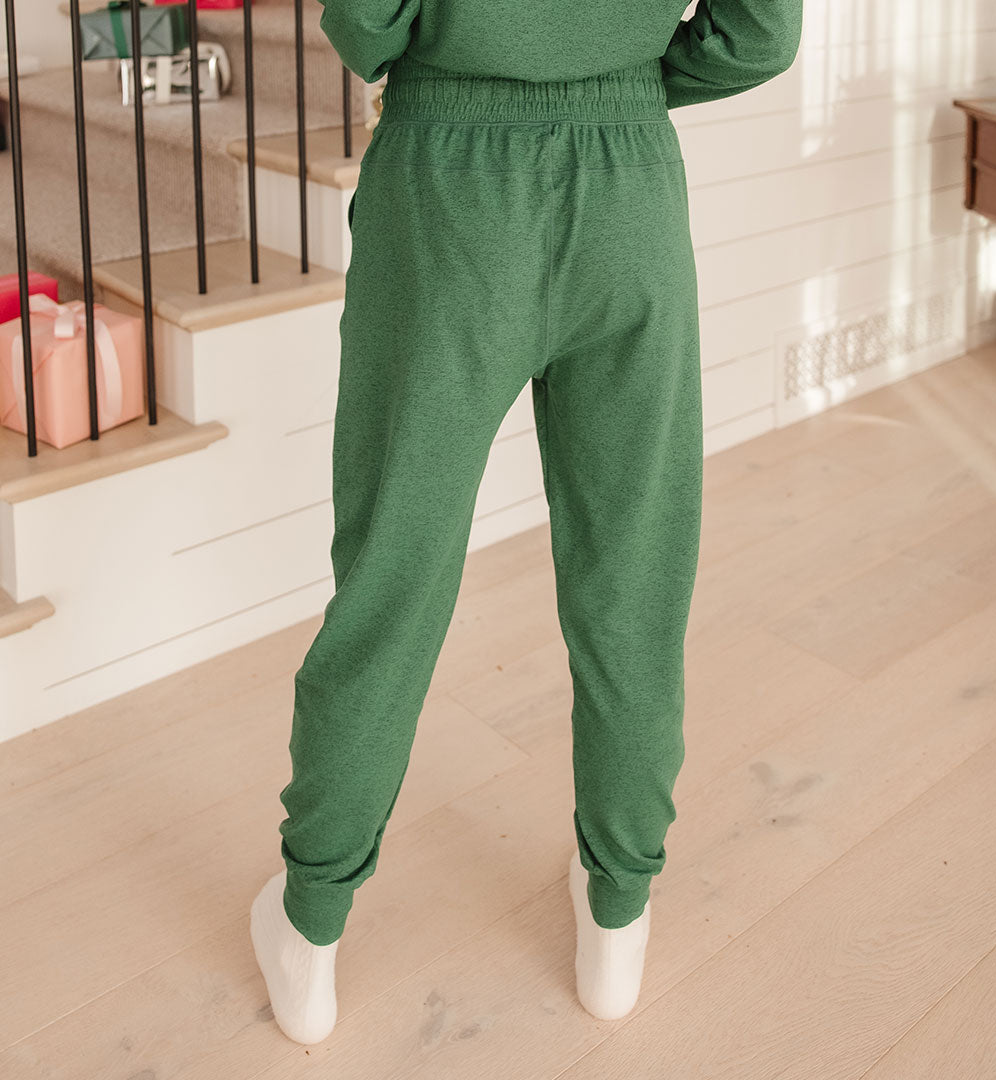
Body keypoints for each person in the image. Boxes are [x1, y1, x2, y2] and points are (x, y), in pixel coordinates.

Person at [250, 0, 802, 1045]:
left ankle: (310, 926)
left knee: (393, 577)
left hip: (446, 190)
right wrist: (618, 83)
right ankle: (617, 920)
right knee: (634, 577)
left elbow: (366, 24)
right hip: (631, 190)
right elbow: (760, 35)